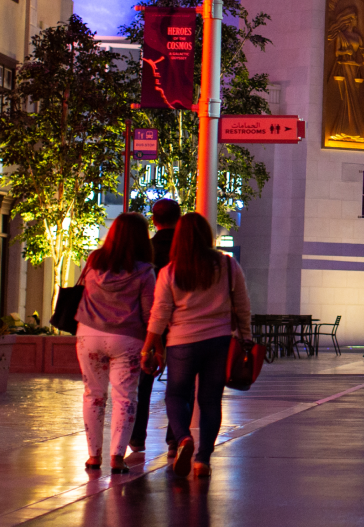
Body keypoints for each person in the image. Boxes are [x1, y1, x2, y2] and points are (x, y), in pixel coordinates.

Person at [141, 212, 252, 478]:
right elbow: (242, 305)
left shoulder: (170, 271)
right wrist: (246, 337)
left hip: (182, 342)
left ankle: (183, 439)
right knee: (211, 400)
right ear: (207, 236)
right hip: (219, 341)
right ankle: (203, 460)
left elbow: (160, 313)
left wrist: (149, 347)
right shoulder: (228, 266)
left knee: (176, 395)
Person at [75, 213, 157, 473]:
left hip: (89, 334)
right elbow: (149, 312)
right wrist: (153, 345)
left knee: (93, 395)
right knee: (125, 398)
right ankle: (117, 457)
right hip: (127, 338)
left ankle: (93, 456)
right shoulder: (144, 270)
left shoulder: (93, 261)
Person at [130, 197, 180, 454]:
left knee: (143, 383)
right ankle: (174, 437)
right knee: (178, 383)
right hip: (181, 325)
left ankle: (137, 436)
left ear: (154, 220)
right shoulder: (185, 251)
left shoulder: (145, 250)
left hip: (149, 326)